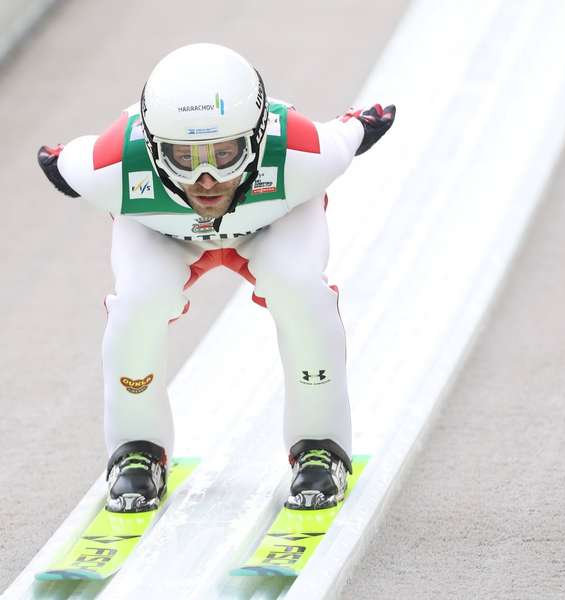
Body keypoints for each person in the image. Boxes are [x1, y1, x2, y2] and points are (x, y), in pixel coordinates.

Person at [38, 43, 394, 513]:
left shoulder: (308, 154)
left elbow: (347, 133)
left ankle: (320, 445)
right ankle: (137, 448)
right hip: (174, 230)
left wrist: (360, 125)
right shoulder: (108, 167)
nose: (207, 180)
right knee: (139, 302)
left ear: (258, 137)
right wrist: (360, 123)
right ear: (152, 148)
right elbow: (70, 160)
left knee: (298, 287)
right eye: (185, 158)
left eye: (224, 154)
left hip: (267, 225)